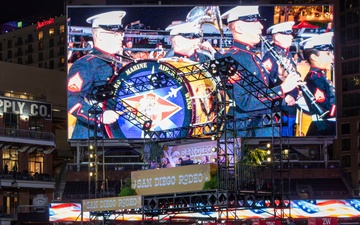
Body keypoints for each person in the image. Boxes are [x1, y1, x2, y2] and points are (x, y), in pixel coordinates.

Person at [218, 6, 304, 137]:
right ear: (239, 28)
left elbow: (260, 92)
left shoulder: (250, 55)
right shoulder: (230, 58)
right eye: (254, 22)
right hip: (247, 132)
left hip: (261, 128)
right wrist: (282, 88)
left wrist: (280, 78)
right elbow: (245, 102)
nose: (261, 26)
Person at [68, 11, 127, 139]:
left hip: (115, 134)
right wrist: (99, 116)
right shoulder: (86, 64)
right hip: (90, 135)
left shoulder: (119, 64)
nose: (121, 37)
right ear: (99, 35)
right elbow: (70, 98)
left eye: (121, 33)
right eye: (116, 34)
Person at [262, 21, 299, 136]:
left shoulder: (286, 54)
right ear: (277, 36)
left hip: (287, 108)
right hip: (276, 107)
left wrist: (293, 95)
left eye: (291, 33)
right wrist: (284, 97)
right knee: (275, 138)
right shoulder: (271, 56)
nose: (291, 37)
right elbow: (265, 82)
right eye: (287, 34)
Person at [299, 32, 335, 136]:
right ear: (314, 57)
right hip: (324, 130)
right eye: (327, 54)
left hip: (326, 127)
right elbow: (326, 108)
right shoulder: (315, 79)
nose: (332, 57)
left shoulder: (320, 77)